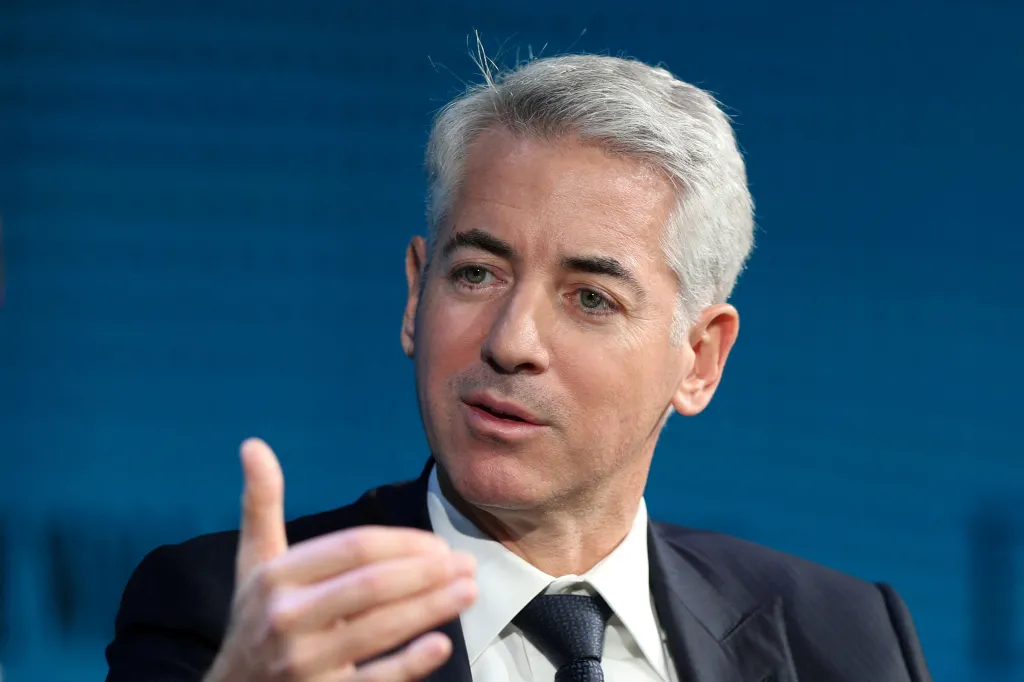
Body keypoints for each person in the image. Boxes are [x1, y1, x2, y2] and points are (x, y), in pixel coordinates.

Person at [105, 53, 932, 682]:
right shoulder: (239, 617)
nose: (512, 340)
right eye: (477, 274)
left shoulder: (844, 638)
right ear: (413, 295)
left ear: (700, 359)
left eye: (590, 299)